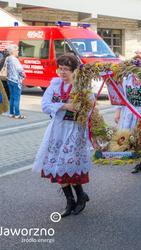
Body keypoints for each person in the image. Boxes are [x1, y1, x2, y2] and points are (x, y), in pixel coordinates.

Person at [32, 54, 91, 217]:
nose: (63, 72)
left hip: (74, 130)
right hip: (57, 130)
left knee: (69, 164)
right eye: (61, 69)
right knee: (57, 166)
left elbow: (90, 107)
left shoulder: (82, 87)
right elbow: (45, 106)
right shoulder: (54, 85)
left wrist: (80, 108)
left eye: (67, 69)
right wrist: (65, 105)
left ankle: (80, 197)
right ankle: (69, 201)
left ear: (74, 71)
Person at [115, 56, 141, 173]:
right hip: (130, 112)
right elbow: (122, 96)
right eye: (135, 66)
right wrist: (118, 111)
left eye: (139, 66)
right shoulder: (128, 79)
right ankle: (138, 162)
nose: (137, 69)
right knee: (133, 137)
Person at [6, 44, 25, 119]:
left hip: (9, 79)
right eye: (17, 50)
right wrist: (24, 75)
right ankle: (17, 114)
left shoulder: (8, 58)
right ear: (13, 51)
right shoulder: (15, 59)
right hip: (16, 80)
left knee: (12, 97)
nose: (18, 51)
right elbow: (20, 69)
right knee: (17, 98)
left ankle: (11, 113)